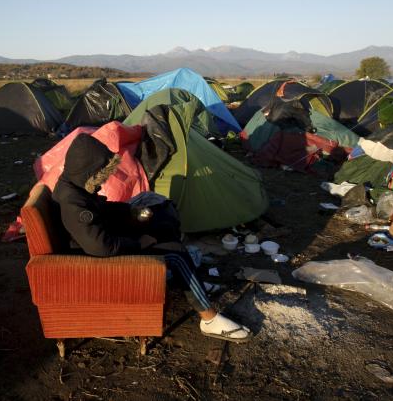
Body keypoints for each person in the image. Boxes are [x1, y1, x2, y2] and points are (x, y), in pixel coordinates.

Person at [52, 134, 251, 343]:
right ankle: (209, 319)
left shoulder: (73, 186)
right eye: (100, 174)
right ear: (87, 170)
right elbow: (100, 246)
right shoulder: (72, 202)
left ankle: (193, 284)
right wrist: (140, 242)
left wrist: (131, 211)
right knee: (175, 253)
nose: (103, 180)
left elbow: (100, 211)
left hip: (100, 244)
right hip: (94, 262)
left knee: (162, 225)